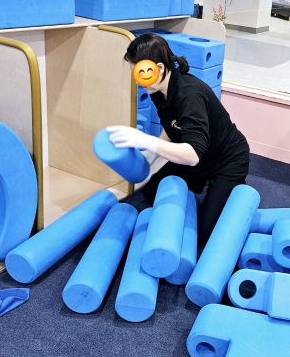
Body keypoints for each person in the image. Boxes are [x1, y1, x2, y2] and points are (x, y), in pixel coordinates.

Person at [107, 33, 250, 246]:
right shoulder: (157, 89)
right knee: (151, 191)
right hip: (199, 156)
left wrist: (146, 141)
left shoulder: (189, 95)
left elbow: (192, 156)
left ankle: (230, 191)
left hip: (226, 160)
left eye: (140, 73)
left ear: (159, 68)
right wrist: (151, 155)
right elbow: (172, 125)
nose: (137, 80)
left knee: (206, 233)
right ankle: (200, 187)